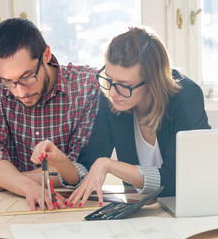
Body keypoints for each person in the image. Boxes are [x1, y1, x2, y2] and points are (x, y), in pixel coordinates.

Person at [38, 26, 211, 208]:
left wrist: (109, 165)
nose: (112, 91)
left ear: (152, 81)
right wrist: (61, 161)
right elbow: (89, 168)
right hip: (144, 212)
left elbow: (177, 180)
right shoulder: (112, 101)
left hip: (193, 208)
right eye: (109, 79)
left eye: (124, 84)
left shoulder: (186, 97)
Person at [0, 18, 100, 210]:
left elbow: (77, 170)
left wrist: (0, 182)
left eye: (27, 77)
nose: (19, 92)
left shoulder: (87, 85)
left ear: (46, 54)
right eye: (8, 81)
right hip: (5, 202)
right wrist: (26, 186)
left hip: (65, 202)